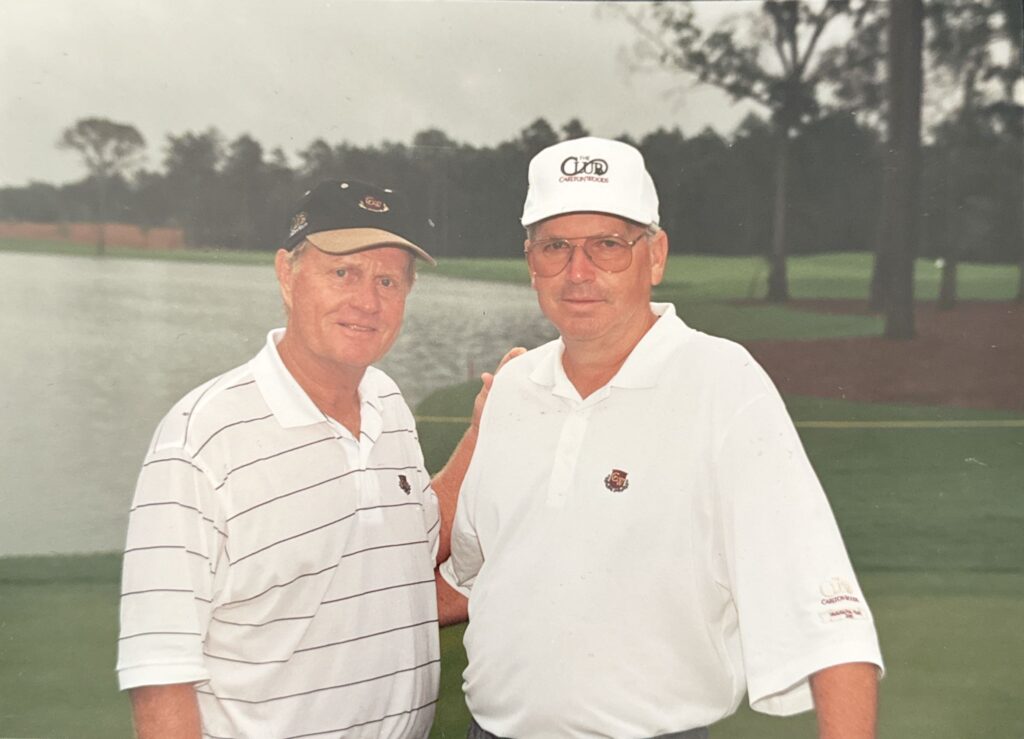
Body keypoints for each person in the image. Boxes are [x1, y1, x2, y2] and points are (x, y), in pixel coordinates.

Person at [440, 137, 884, 739]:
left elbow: (827, 614)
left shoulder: (722, 381)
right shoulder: (514, 388)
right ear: (530, 261)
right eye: (555, 246)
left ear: (655, 255)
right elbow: (474, 577)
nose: (578, 272)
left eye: (607, 245)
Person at [117, 179, 510, 738]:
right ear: (287, 273)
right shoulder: (200, 439)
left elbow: (412, 552)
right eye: (343, 272)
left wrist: (483, 432)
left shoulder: (387, 403)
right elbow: (160, 673)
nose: (367, 301)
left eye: (388, 281)